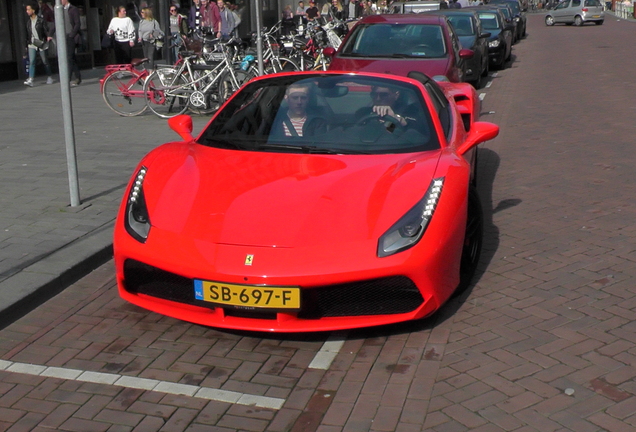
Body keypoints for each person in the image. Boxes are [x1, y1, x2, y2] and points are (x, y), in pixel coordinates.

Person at [23, 0, 53, 87]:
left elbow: (45, 30)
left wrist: (47, 38)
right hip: (32, 43)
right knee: (32, 61)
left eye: (29, 9)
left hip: (40, 42)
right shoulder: (28, 22)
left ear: (33, 10)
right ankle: (31, 79)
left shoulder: (40, 20)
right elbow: (27, 34)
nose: (27, 11)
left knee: (45, 61)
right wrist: (26, 45)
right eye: (27, 10)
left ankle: (49, 76)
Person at [61, 0, 81, 86]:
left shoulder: (73, 9)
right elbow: (56, 23)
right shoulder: (60, 10)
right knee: (72, 58)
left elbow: (77, 23)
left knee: (69, 57)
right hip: (63, 37)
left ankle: (67, 79)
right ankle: (78, 77)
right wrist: (50, 34)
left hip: (70, 37)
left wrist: (72, 34)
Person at [138, 8, 163, 73]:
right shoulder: (141, 22)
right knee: (145, 57)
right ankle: (147, 70)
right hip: (144, 41)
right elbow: (140, 30)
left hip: (151, 41)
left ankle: (150, 72)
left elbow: (160, 32)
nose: (141, 14)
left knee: (150, 57)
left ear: (147, 13)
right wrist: (140, 37)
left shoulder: (154, 22)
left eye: (143, 12)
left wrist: (154, 35)